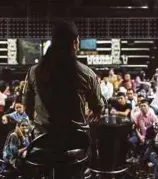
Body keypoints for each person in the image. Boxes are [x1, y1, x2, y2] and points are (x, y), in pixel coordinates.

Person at [23, 20, 104, 178]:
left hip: (43, 142)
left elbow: (27, 108)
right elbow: (98, 108)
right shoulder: (87, 74)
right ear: (74, 43)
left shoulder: (33, 72)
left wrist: (41, 123)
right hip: (76, 142)